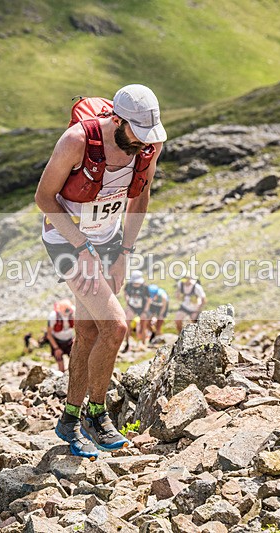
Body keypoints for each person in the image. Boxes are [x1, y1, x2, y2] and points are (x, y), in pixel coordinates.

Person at [35, 84, 166, 459]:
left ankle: (69, 420)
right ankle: (95, 413)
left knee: (90, 329)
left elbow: (140, 196)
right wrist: (81, 246)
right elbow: (44, 199)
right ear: (117, 120)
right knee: (116, 326)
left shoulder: (148, 146)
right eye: (137, 136)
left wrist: (125, 251)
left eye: (149, 138)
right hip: (66, 239)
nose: (144, 145)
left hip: (108, 240)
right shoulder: (77, 141)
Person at [122, 270, 149, 352]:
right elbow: (125, 292)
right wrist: (127, 301)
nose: (136, 284)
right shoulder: (129, 285)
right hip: (132, 306)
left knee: (143, 324)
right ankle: (127, 343)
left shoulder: (144, 287)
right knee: (127, 322)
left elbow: (148, 299)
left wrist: (145, 311)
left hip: (142, 308)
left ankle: (144, 344)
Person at [45, 299, 76, 372]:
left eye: (69, 310)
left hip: (70, 340)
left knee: (75, 361)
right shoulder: (53, 316)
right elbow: (49, 335)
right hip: (57, 341)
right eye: (66, 310)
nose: (68, 312)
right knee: (60, 364)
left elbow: (79, 327)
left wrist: (76, 338)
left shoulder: (73, 312)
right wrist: (56, 348)